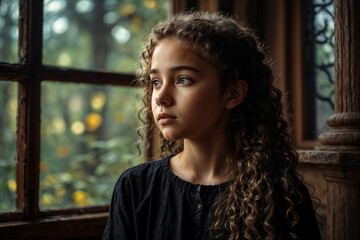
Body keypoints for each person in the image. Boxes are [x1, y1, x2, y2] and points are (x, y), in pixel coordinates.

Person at [102, 12, 321, 240]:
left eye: (183, 79)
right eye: (156, 82)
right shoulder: (135, 188)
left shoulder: (281, 196)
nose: (160, 97)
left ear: (232, 93)